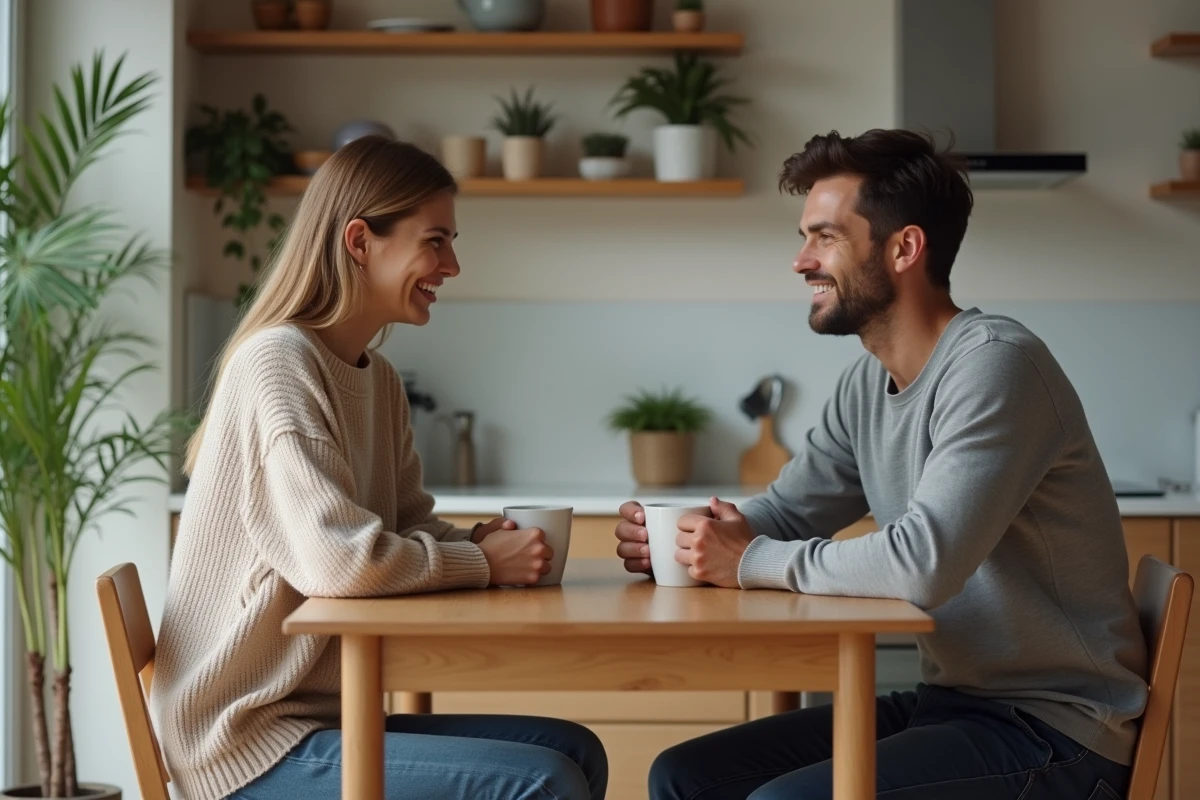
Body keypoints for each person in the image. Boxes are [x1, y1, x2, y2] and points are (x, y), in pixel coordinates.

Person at [614, 129, 1147, 800]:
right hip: (950, 704)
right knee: (686, 776)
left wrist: (745, 561)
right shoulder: (869, 385)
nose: (801, 260)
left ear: (904, 248)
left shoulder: (995, 365)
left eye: (825, 237)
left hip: (1056, 730)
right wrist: (691, 540)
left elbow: (924, 564)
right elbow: (785, 512)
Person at [153, 137, 607, 800]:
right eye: (436, 241)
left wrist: (476, 540)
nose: (452, 264)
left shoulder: (379, 378)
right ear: (361, 241)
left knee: (575, 751)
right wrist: (484, 565)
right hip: (249, 741)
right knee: (546, 782)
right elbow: (341, 564)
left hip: (325, 718)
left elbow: (406, 523)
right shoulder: (279, 363)